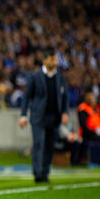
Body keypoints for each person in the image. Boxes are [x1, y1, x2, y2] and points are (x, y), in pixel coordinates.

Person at [19, 47, 69, 183]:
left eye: (56, 59)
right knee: (39, 144)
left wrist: (65, 112)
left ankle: (45, 172)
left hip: (54, 117)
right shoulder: (35, 76)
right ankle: (37, 172)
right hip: (38, 117)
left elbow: (65, 97)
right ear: (45, 60)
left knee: (49, 146)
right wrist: (23, 115)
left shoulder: (60, 77)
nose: (55, 62)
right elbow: (27, 97)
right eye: (53, 59)